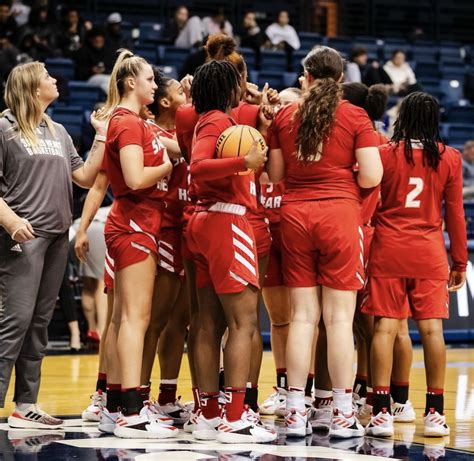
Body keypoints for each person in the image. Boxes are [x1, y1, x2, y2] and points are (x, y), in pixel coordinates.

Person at [267, 45, 382, 438]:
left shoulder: (285, 115)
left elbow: (276, 174)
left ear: (308, 77)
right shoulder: (354, 114)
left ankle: (296, 411)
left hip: (295, 216)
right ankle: (343, 413)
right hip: (339, 215)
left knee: (302, 318)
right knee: (338, 321)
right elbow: (371, 176)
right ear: (341, 78)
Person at [0, 60, 106, 428]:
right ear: (31, 86)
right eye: (46, 75)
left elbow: (84, 176)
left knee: (40, 324)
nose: (54, 79)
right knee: (15, 320)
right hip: (22, 239)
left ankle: (25, 404)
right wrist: (11, 221)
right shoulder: (4, 128)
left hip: (58, 237)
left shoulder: (58, 130)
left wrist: (102, 135)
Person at [362, 92, 467, 438]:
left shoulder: (383, 154)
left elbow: (369, 207)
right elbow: (454, 214)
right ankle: (435, 412)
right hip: (429, 253)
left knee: (385, 331)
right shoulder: (449, 158)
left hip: (389, 250)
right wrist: (460, 262)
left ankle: (380, 411)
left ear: (402, 118)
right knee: (433, 332)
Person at [187, 59, 276, 444]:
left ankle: (208, 413)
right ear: (229, 89)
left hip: (205, 223)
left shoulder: (209, 119)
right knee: (243, 323)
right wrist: (246, 161)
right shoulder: (217, 122)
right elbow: (198, 166)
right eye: (239, 82)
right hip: (226, 221)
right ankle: (235, 416)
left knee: (208, 322)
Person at [101, 49, 177, 439]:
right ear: (131, 82)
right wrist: (165, 165)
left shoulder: (134, 122)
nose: (155, 84)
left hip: (136, 223)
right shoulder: (127, 123)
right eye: (149, 79)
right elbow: (133, 177)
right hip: (133, 222)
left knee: (124, 319)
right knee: (134, 319)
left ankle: (115, 405)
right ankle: (132, 411)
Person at [74, 27, 115, 93]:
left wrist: (104, 70)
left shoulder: (108, 52)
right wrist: (91, 70)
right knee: (108, 81)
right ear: (90, 40)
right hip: (90, 78)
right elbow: (79, 72)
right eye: (96, 40)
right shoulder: (84, 51)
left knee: (111, 81)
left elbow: (112, 68)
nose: (98, 41)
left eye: (100, 40)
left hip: (106, 76)